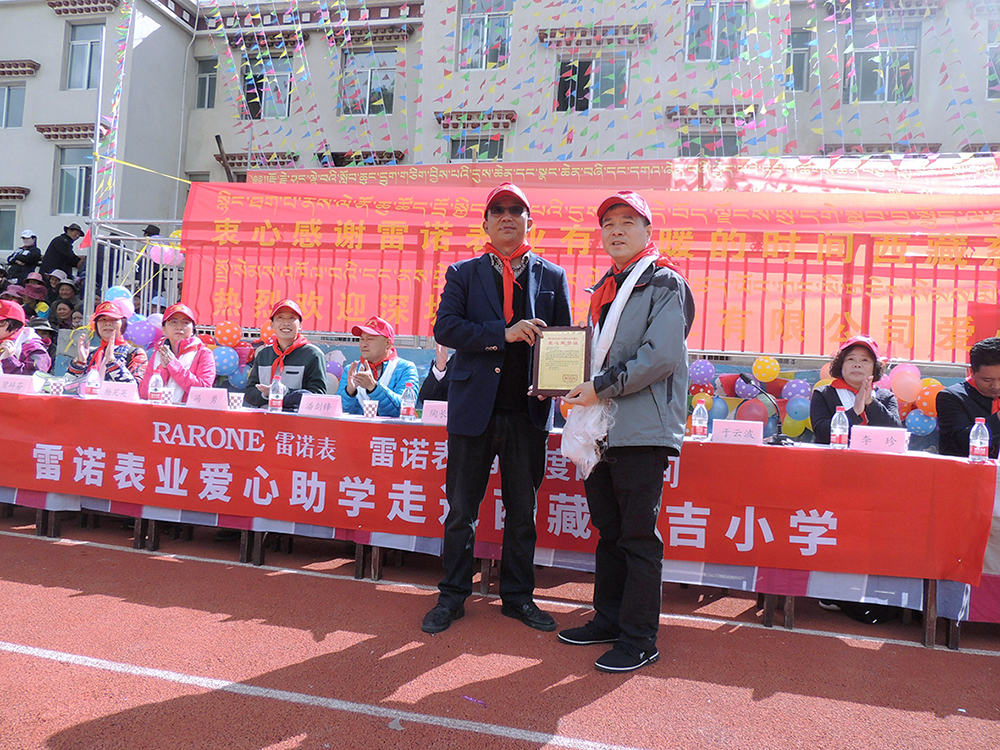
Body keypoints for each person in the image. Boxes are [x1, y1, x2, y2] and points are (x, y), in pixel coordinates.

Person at [421, 182, 572, 635]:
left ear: (529, 222)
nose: (507, 216)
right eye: (499, 210)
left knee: (523, 513)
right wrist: (501, 334)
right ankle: (451, 597)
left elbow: (563, 338)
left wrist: (557, 383)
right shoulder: (463, 273)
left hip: (528, 412)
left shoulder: (552, 276)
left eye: (516, 210)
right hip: (474, 410)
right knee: (461, 510)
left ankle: (518, 597)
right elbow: (446, 328)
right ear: (486, 223)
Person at [558, 190, 694, 673]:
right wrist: (562, 381)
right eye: (608, 223)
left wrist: (598, 387)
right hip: (601, 430)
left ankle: (639, 639)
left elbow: (660, 357)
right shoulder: (606, 288)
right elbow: (592, 355)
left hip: (641, 430)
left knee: (637, 537)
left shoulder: (665, 282)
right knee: (610, 532)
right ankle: (609, 620)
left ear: (647, 231)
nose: (616, 230)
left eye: (627, 222)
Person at [810, 335, 900, 444]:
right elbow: (821, 433)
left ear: (874, 367)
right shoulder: (824, 394)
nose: (857, 365)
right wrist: (855, 411)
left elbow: (895, 433)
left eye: (865, 360)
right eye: (850, 359)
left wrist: (871, 403)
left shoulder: (886, 396)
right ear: (841, 365)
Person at [244, 299, 327, 411]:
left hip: (297, 418)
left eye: (292, 318)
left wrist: (283, 393)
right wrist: (265, 395)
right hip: (264, 418)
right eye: (280, 317)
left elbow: (318, 396)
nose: (286, 323)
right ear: (272, 324)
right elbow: (249, 392)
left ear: (300, 325)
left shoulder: (313, 355)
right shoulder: (263, 354)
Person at [337, 316, 419, 417]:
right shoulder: (351, 370)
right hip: (357, 427)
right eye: (362, 339)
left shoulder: (405, 369)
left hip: (390, 428)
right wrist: (349, 392)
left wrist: (374, 387)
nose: (363, 344)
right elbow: (338, 411)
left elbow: (404, 409)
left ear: (388, 344)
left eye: (370, 339)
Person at [139, 303, 216, 404]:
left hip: (189, 411)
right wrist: (163, 369)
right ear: (164, 328)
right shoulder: (158, 352)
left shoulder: (203, 353)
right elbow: (144, 394)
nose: (179, 327)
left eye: (185, 322)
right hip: (158, 410)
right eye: (173, 322)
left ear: (193, 329)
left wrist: (173, 365)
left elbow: (203, 392)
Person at [937, 336, 1000, 458]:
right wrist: (997, 418)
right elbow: (961, 442)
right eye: (987, 380)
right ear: (971, 372)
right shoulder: (952, 397)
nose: (996, 386)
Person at [67, 299, 147, 384]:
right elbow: (67, 385)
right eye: (103, 319)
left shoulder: (135, 353)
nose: (108, 323)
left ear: (122, 324)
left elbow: (135, 386)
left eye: (114, 319)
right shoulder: (90, 353)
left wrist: (112, 362)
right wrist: (80, 363)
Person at [0, 300, 51, 375]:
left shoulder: (33, 348)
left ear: (16, 325)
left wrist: (9, 360)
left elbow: (36, 377)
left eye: (1, 323)